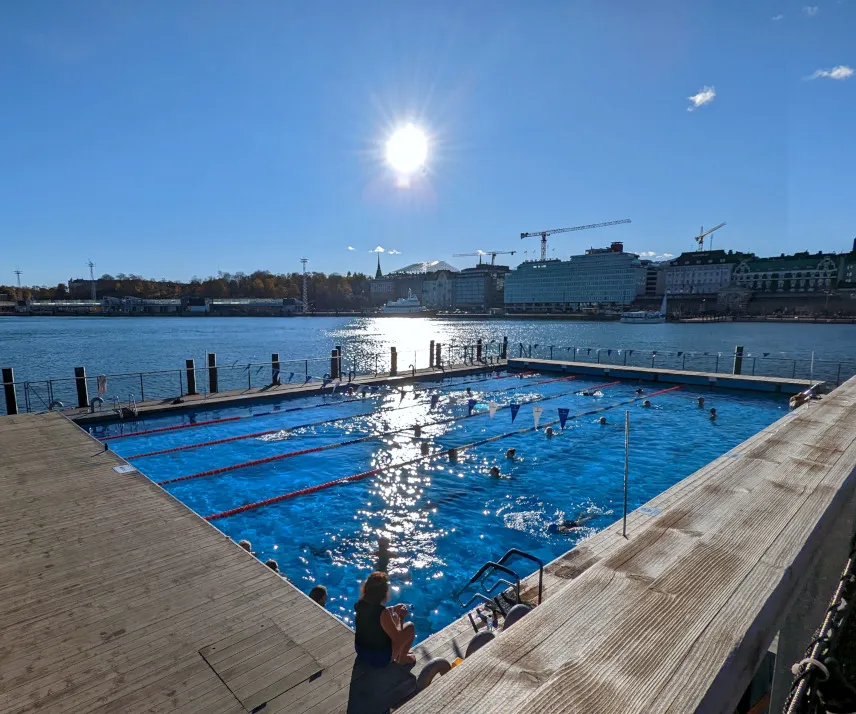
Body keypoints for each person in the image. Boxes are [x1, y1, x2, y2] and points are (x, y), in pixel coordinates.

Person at [354, 571, 416, 667]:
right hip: (376, 659)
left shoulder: (360, 604)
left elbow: (373, 616)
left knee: (392, 621)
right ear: (384, 593)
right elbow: (398, 640)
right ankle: (402, 659)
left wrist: (392, 609)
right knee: (410, 627)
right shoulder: (383, 613)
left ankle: (399, 654)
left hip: (360, 651)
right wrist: (400, 618)